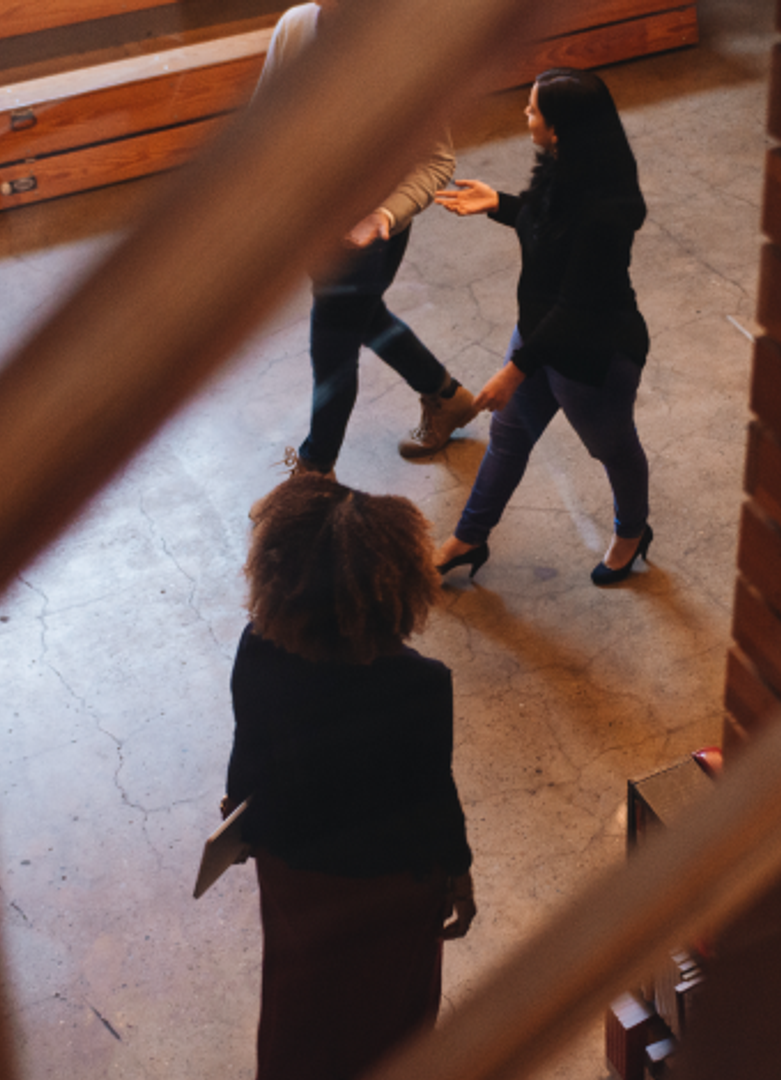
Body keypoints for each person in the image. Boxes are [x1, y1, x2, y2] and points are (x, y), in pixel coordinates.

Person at [225, 472, 476, 1080]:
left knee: (298, 1010)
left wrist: (239, 817)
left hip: (292, 872)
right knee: (390, 1019)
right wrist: (459, 873)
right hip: (387, 887)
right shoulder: (420, 684)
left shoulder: (258, 648)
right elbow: (431, 795)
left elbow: (247, 752)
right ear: (398, 588)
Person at [433, 68, 652, 586]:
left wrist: (514, 370)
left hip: (591, 357)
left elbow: (576, 304)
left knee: (612, 449)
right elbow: (552, 226)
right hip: (539, 338)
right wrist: (503, 205)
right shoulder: (567, 168)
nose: (524, 116)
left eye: (533, 111)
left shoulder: (606, 210)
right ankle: (468, 539)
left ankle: (631, 532)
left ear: (560, 128)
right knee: (508, 437)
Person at [255, 0, 477, 474]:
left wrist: (381, 217)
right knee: (363, 316)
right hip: (310, 222)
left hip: (369, 229)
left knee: (332, 342)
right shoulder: (296, 26)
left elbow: (436, 161)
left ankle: (314, 473)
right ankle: (447, 396)